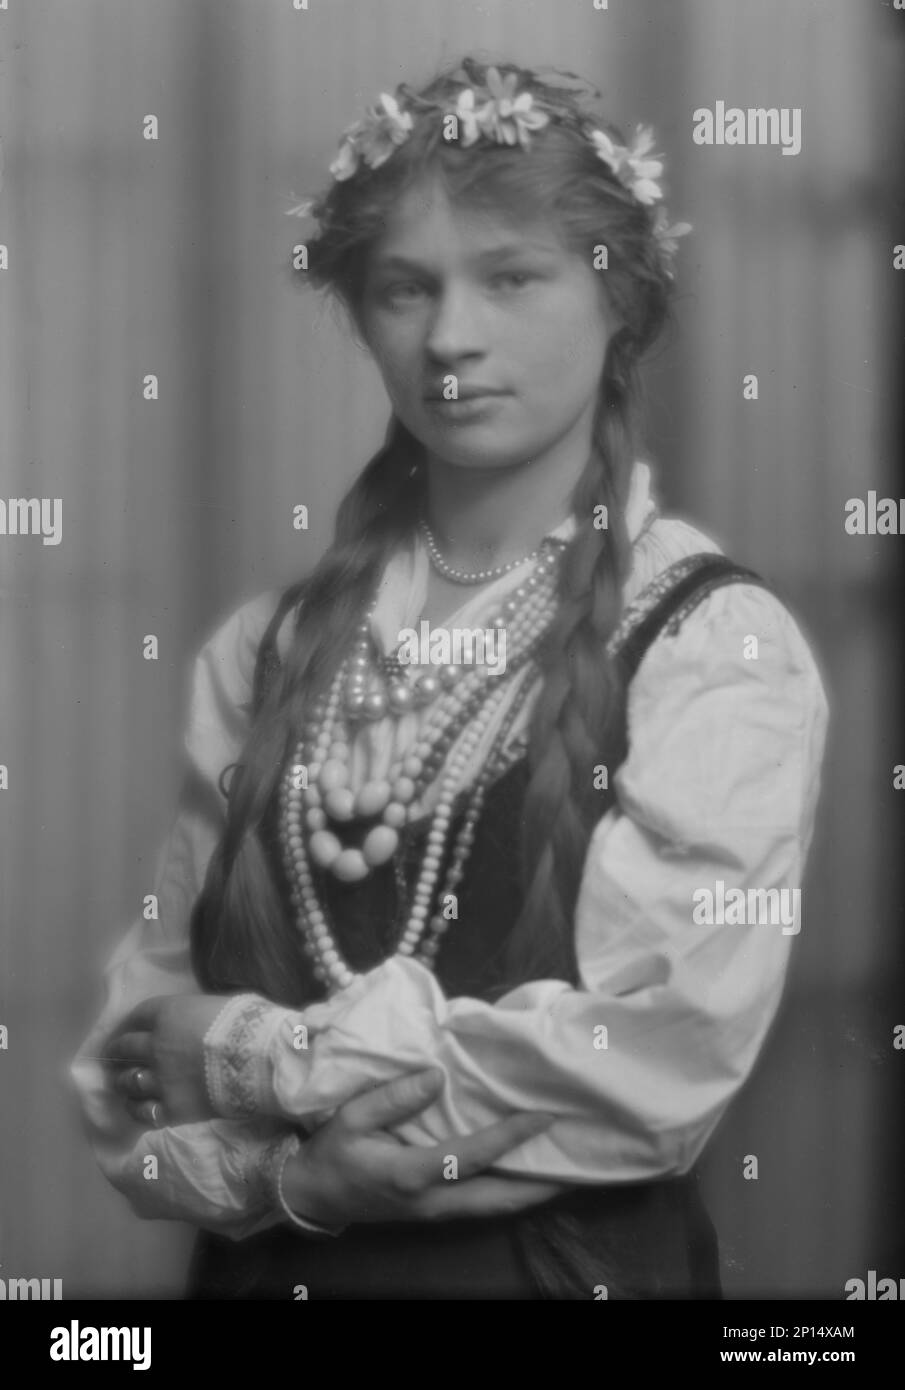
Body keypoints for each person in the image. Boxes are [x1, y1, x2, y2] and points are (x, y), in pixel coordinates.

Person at [72, 57, 829, 1300]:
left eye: (512, 278)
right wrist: (289, 1185)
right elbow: (137, 1065)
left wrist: (271, 1056)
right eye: (402, 290)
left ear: (617, 303)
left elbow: (658, 1055)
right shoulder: (264, 652)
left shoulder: (705, 642)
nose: (451, 338)